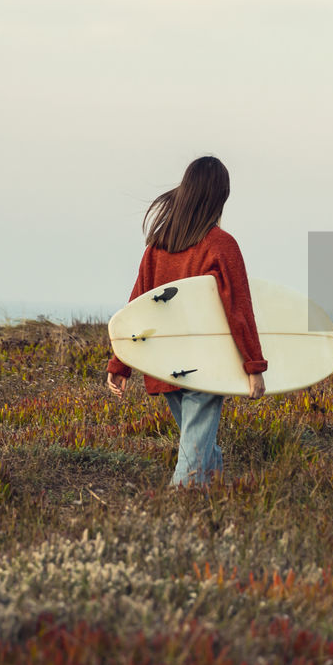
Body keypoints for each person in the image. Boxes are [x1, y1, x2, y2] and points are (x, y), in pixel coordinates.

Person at [106, 156, 266, 486]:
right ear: (219, 197)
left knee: (199, 444)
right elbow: (238, 309)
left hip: (163, 364)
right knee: (193, 453)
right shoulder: (221, 245)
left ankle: (217, 506)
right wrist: (254, 366)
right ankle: (179, 515)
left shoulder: (158, 246)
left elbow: (137, 306)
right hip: (206, 365)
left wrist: (121, 363)